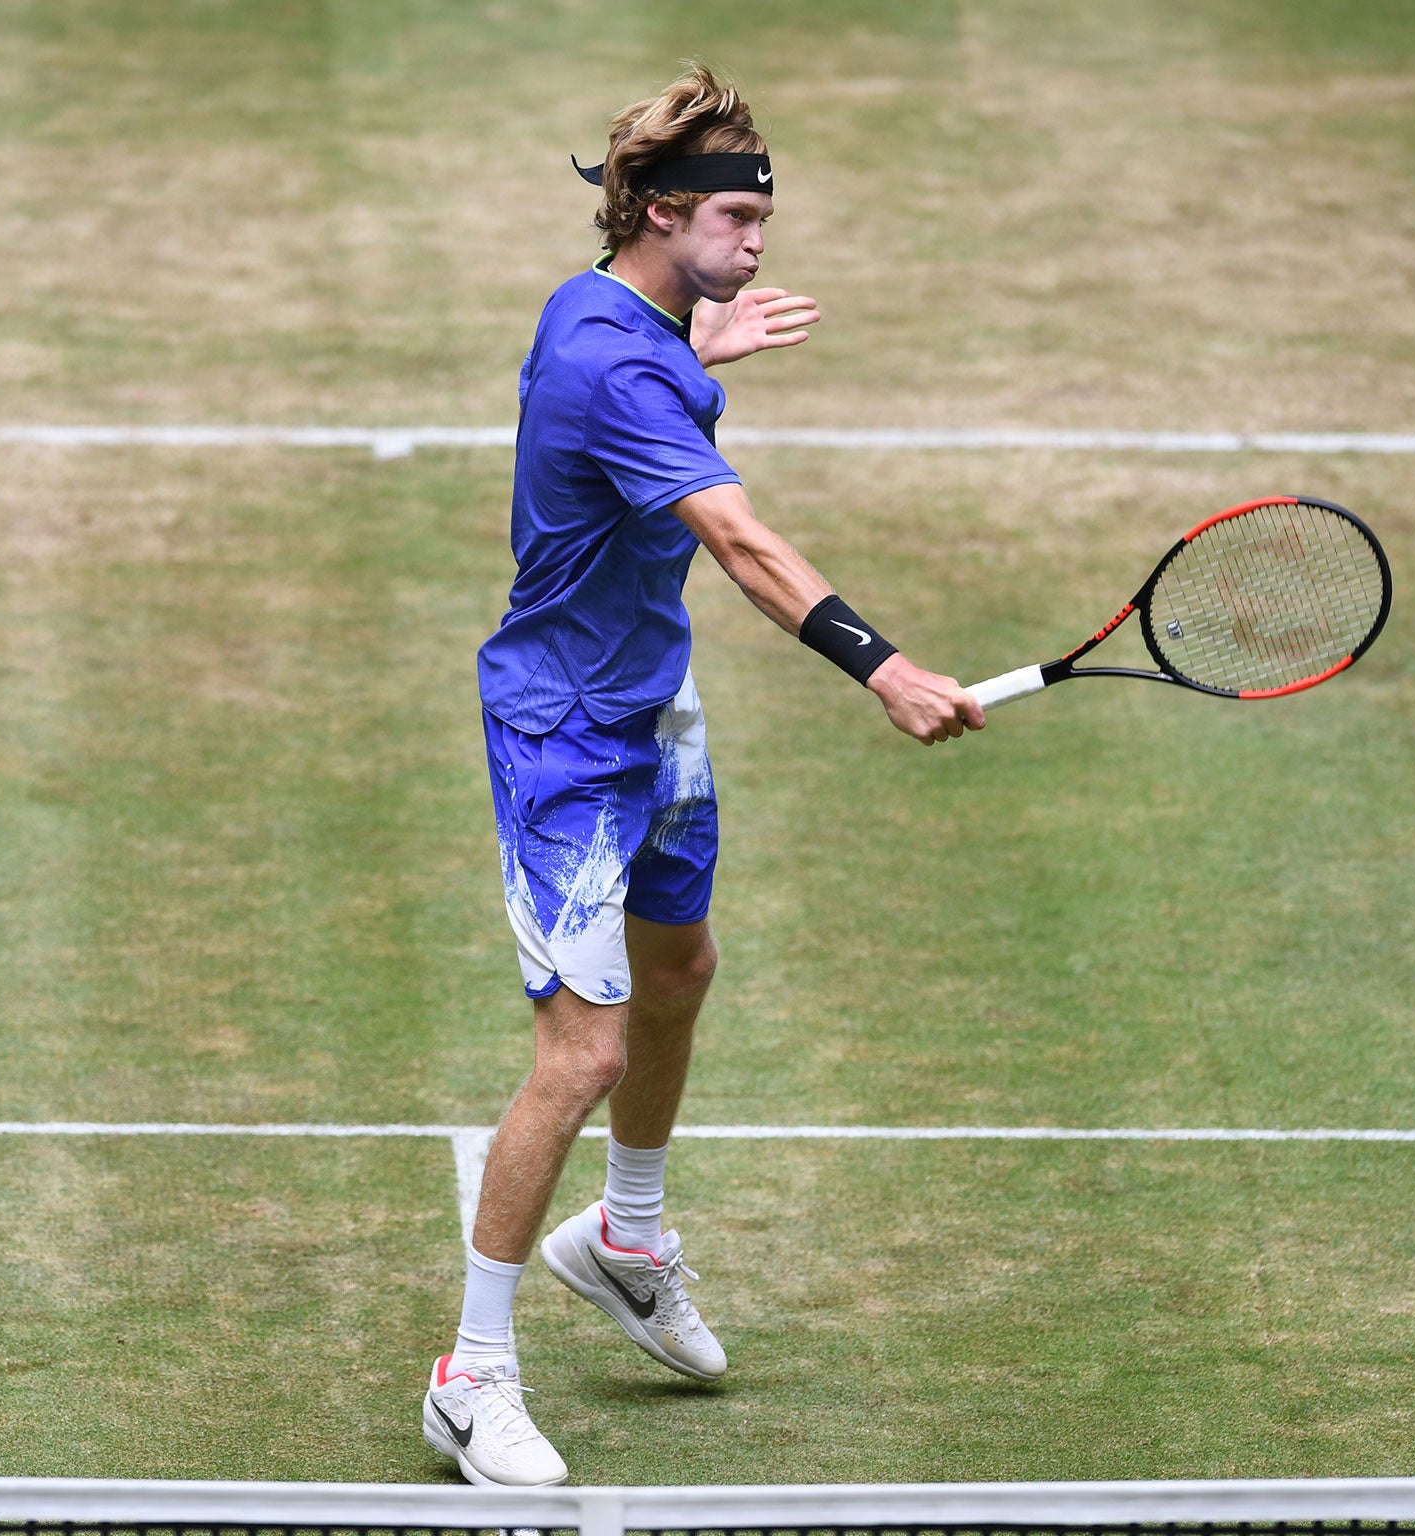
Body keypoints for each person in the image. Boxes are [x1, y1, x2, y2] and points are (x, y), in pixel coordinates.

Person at [423, 64, 985, 1488]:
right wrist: (887, 666)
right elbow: (741, 544)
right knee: (585, 1051)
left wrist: (700, 345)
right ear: (663, 211)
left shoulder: (609, 313)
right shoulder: (622, 360)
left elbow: (630, 372)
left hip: (651, 709)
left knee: (681, 970)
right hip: (562, 733)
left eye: (763, 220)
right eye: (736, 218)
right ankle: (470, 1376)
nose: (759, 242)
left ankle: (623, 1236)